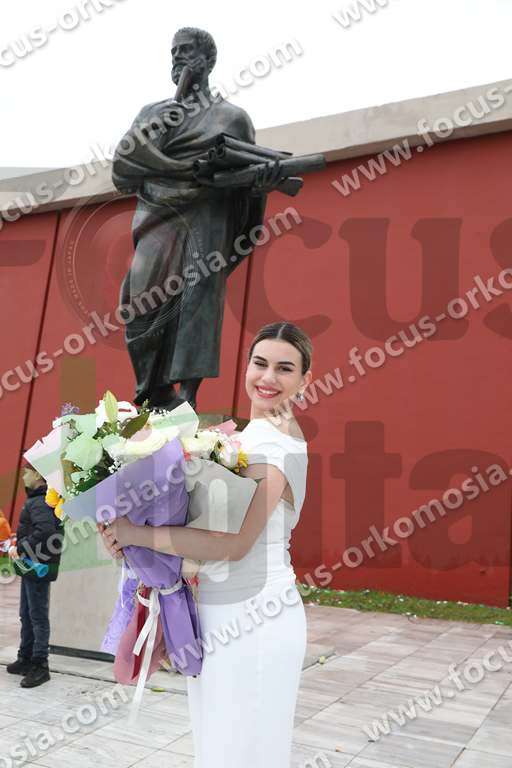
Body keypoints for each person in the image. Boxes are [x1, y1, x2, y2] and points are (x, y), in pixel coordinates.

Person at [100, 320, 313, 767]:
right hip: (216, 614)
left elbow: (234, 544)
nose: (268, 378)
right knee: (216, 748)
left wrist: (135, 533)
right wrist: (130, 540)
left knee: (241, 753)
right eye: (260, 363)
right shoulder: (241, 438)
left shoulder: (278, 449)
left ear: (304, 380)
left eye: (284, 368)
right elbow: (198, 528)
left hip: (256, 617)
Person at [111, 27, 282, 411]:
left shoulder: (231, 118)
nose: (177, 58)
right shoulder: (153, 114)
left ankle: (187, 395)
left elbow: (246, 181)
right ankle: (152, 391)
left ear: (207, 60)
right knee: (139, 302)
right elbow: (124, 169)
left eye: (185, 51)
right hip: (157, 218)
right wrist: (179, 167)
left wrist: (260, 188)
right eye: (174, 51)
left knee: (198, 295)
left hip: (207, 218)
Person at [6, 461, 64, 688]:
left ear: (38, 475)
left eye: (26, 473)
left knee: (37, 616)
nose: (23, 477)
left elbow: (46, 531)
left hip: (38, 566)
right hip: (32, 566)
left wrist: (21, 547)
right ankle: (26, 657)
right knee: (27, 613)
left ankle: (40, 665)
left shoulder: (40, 501)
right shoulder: (38, 499)